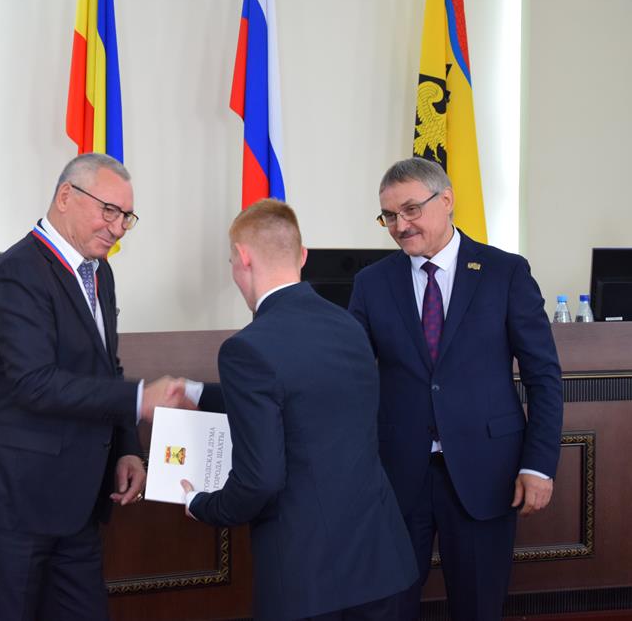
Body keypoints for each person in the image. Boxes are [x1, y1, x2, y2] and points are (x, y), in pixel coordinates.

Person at [0, 153, 186, 621]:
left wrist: (127, 448)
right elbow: (34, 384)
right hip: (13, 501)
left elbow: (105, 367)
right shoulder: (18, 271)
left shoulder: (100, 273)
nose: (118, 229)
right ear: (65, 197)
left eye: (126, 217)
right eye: (109, 211)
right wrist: (141, 399)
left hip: (77, 504)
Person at [348, 158, 564, 620]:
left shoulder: (505, 272)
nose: (400, 226)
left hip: (488, 473)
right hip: (397, 475)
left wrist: (539, 465)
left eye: (410, 210)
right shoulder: (371, 283)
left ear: (446, 200)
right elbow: (349, 376)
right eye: (389, 216)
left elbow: (543, 376)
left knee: (478, 607)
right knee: (386, 608)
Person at [181, 199, 417, 620]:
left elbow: (260, 480)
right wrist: (195, 393)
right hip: (382, 563)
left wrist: (203, 504)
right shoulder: (349, 326)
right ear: (303, 256)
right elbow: (304, 398)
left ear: (243, 258)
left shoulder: (246, 349)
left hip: (308, 578)